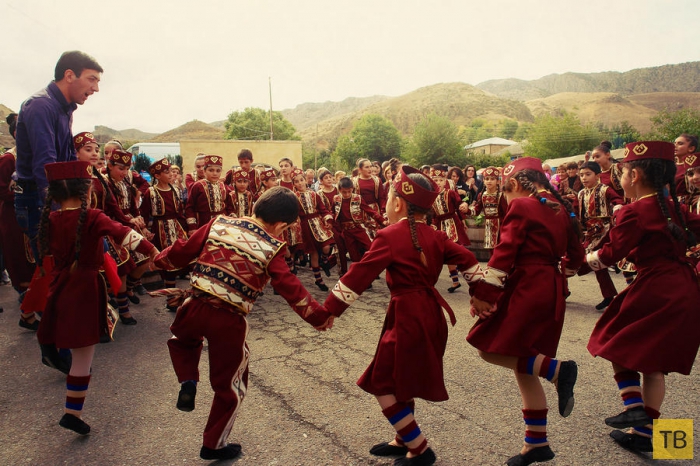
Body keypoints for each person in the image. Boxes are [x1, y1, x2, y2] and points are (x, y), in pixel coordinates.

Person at [152, 186, 332, 460]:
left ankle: (188, 379)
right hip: (229, 320)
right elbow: (290, 287)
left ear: (255, 207)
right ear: (281, 225)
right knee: (230, 384)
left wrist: (158, 260)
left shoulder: (219, 223)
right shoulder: (272, 247)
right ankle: (213, 444)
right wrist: (318, 317)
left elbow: (183, 251)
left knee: (182, 342)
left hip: (194, 305)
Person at [323, 165, 482, 466]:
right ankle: (402, 439)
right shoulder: (436, 235)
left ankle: (419, 448)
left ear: (397, 203)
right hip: (430, 315)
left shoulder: (390, 235)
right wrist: (480, 294)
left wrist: (329, 310)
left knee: (381, 383)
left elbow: (359, 274)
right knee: (402, 378)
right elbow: (469, 259)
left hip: (408, 317)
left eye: (388, 199)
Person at [584, 141, 700, 454]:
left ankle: (635, 409)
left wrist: (581, 261)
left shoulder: (635, 211)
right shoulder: (675, 208)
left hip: (656, 287)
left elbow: (611, 253)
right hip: (683, 287)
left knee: (613, 340)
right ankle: (647, 433)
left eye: (622, 173)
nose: (620, 179)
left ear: (634, 176)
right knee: (653, 363)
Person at [468, 157, 585, 466]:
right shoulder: (561, 209)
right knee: (524, 362)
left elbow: (504, 254)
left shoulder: (522, 206)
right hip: (551, 287)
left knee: (488, 348)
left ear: (514, 185)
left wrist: (483, 295)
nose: (506, 201)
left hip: (528, 286)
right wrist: (558, 274)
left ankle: (556, 371)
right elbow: (576, 257)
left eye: (505, 194)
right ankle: (536, 443)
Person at [36, 160, 156, 435]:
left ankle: (68, 398)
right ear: (87, 191)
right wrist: (152, 251)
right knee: (83, 357)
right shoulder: (93, 217)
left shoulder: (51, 220)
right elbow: (125, 234)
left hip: (59, 286)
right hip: (84, 289)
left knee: (77, 351)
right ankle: (72, 413)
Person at [14, 51, 103, 260]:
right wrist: (61, 212)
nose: (96, 88)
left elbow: (69, 158)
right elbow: (45, 166)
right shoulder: (41, 105)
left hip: (56, 196)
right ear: (69, 75)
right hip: (39, 199)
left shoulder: (65, 109)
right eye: (92, 79)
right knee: (55, 268)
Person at [0, 113, 35, 323]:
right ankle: (27, 313)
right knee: (21, 261)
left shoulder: (33, 157)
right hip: (14, 217)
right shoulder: (8, 159)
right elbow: (2, 190)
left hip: (32, 213)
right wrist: (26, 195)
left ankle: (30, 310)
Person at [140, 158, 188, 310]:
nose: (171, 174)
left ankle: (179, 297)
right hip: (160, 229)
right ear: (157, 176)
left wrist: (186, 229)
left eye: (170, 171)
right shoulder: (151, 192)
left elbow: (180, 212)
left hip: (177, 228)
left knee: (180, 260)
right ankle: (171, 300)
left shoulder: (176, 190)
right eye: (166, 172)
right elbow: (144, 212)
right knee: (167, 265)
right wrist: (145, 229)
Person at [576, 161, 623, 311]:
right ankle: (609, 295)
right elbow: (577, 212)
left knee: (588, 259)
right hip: (590, 231)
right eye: (581, 175)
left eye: (587, 174)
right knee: (596, 263)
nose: (584, 178)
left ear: (597, 175)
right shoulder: (581, 193)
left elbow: (618, 200)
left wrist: (617, 209)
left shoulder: (605, 189)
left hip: (604, 229)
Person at [291, 168, 335, 290]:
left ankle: (324, 261)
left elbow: (323, 209)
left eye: (301, 180)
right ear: (294, 184)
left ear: (305, 180)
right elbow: (293, 213)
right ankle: (319, 280)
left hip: (318, 223)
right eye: (296, 181)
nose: (300, 183)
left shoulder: (314, 194)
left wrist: (328, 220)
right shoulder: (293, 197)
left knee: (326, 247)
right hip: (305, 226)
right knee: (314, 253)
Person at [332, 177, 385, 276]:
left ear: (352, 189)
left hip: (358, 228)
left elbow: (369, 210)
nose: (347, 194)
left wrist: (382, 221)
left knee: (370, 248)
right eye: (344, 192)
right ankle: (361, 276)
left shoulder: (357, 198)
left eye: (349, 191)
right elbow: (333, 213)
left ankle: (372, 270)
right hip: (346, 231)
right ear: (339, 190)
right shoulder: (336, 199)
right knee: (354, 256)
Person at [430, 164, 471, 293]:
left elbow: (459, 206)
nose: (438, 182)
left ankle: (471, 278)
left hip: (453, 223)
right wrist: (432, 225)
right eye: (435, 180)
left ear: (445, 181)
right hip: (440, 226)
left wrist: (464, 216)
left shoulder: (451, 193)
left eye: (440, 180)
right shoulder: (431, 197)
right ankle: (455, 281)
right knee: (445, 254)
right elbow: (432, 214)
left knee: (457, 252)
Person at [185, 155, 232, 231]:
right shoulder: (198, 186)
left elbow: (229, 206)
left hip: (222, 223)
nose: (215, 173)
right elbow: (190, 207)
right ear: (204, 171)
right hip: (203, 223)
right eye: (211, 170)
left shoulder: (224, 186)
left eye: (218, 171)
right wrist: (192, 227)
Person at [469, 167, 506, 249]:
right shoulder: (482, 195)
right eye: (487, 179)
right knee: (491, 248)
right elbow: (477, 210)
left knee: (500, 247)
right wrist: (467, 210)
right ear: (483, 181)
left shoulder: (501, 195)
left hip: (501, 225)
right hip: (488, 225)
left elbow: (506, 212)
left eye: (492, 179)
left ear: (498, 181)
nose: (489, 181)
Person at [353, 158, 387, 238]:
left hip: (375, 210)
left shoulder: (377, 180)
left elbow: (381, 198)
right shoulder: (354, 181)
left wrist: (382, 212)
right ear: (360, 169)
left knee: (377, 235)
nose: (370, 169)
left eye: (370, 166)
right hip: (361, 211)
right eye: (367, 167)